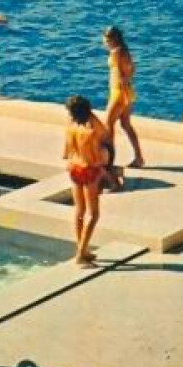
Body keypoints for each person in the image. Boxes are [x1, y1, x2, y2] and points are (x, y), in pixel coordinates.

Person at [63, 94, 110, 266]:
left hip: (74, 168)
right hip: (89, 169)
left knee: (79, 211)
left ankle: (82, 248)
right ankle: (81, 253)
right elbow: (105, 135)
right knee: (94, 214)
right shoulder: (90, 131)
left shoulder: (70, 127)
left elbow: (65, 152)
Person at [103, 26, 145, 170]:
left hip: (118, 92)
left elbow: (118, 74)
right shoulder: (125, 50)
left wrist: (121, 86)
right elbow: (132, 69)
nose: (104, 41)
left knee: (108, 125)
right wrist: (126, 84)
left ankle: (109, 160)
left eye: (106, 39)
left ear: (111, 39)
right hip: (127, 91)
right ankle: (139, 157)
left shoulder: (115, 52)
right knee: (126, 125)